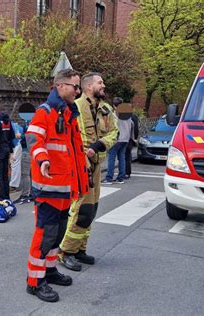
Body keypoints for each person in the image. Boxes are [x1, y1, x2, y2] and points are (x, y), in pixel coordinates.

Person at [25, 69, 89, 303]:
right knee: (45, 236)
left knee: (57, 234)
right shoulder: (46, 112)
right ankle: (35, 282)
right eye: (75, 86)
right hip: (49, 188)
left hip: (63, 188)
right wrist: (42, 159)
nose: (78, 90)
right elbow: (33, 138)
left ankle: (49, 271)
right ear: (60, 86)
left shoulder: (68, 113)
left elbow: (73, 151)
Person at [58, 72, 118, 272]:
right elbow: (67, 137)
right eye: (100, 82)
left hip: (96, 166)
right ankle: (66, 251)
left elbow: (114, 132)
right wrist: (82, 155)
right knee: (81, 209)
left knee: (91, 209)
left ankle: (79, 249)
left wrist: (100, 144)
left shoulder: (106, 110)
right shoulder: (74, 108)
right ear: (88, 87)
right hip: (80, 166)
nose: (104, 85)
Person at [102, 99, 134, 184]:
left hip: (117, 139)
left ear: (114, 106)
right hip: (126, 139)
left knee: (111, 158)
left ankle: (109, 178)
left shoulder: (114, 114)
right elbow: (132, 125)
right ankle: (120, 178)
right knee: (122, 158)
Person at [9, 121, 23, 191]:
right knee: (15, 164)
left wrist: (11, 153)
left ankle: (13, 185)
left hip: (18, 143)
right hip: (19, 142)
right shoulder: (12, 124)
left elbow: (8, 140)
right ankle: (14, 184)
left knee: (14, 163)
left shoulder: (6, 126)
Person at [125, 110, 139, 179]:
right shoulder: (134, 117)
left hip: (124, 138)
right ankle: (127, 172)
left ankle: (124, 172)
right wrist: (135, 138)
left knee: (123, 156)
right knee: (128, 156)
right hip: (130, 139)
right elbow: (136, 129)